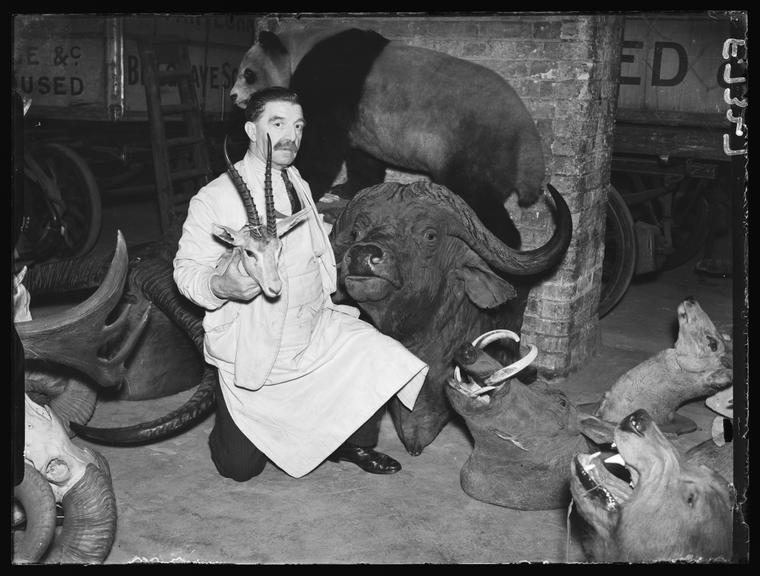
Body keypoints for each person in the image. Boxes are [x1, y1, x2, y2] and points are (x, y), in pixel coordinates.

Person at [173, 86, 428, 481]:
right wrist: (222, 286)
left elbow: (311, 247)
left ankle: (351, 443)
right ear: (251, 131)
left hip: (313, 328)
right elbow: (186, 271)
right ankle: (233, 416)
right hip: (257, 347)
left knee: (374, 353)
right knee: (238, 468)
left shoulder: (297, 181)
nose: (291, 135)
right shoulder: (215, 198)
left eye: (298, 125)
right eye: (277, 124)